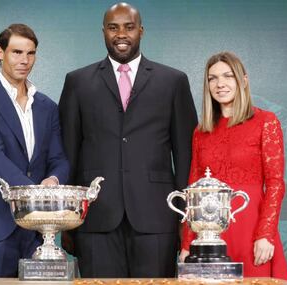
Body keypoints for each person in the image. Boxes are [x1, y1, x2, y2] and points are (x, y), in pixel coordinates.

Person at [58, 2, 197, 278]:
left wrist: (186, 217)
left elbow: (186, 155)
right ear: (103, 32)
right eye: (113, 27)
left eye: (129, 27)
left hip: (157, 216)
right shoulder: (77, 82)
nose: (121, 34)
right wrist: (67, 219)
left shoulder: (173, 81)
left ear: (141, 31)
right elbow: (68, 154)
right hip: (96, 218)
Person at [0, 23, 69, 277]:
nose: (24, 60)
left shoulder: (47, 106)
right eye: (16, 52)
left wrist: (53, 180)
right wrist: (34, 194)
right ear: (0, 53)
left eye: (30, 54)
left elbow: (59, 158)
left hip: (38, 230)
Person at [179, 51, 287, 279]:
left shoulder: (265, 122)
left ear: (243, 80)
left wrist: (266, 234)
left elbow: (275, 183)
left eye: (228, 76)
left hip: (252, 229)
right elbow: (194, 190)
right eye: (213, 78)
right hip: (209, 235)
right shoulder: (201, 132)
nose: (220, 84)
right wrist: (188, 243)